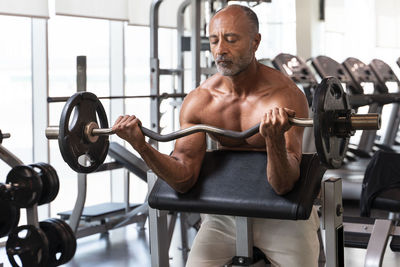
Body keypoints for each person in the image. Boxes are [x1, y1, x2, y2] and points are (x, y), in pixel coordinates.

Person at [112, 4, 319, 267]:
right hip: (223, 217)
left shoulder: (285, 96)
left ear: (255, 42)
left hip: (283, 216)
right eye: (214, 40)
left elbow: (284, 184)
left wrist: (274, 140)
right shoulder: (201, 101)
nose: (220, 50)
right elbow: (184, 178)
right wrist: (141, 145)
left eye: (231, 39)